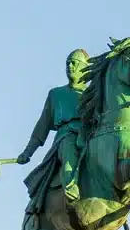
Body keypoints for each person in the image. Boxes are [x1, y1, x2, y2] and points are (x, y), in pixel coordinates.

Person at [18, 49, 90, 203]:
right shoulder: (56, 94)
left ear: (85, 67)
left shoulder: (94, 92)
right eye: (68, 63)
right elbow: (42, 127)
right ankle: (71, 186)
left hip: (91, 135)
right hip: (67, 135)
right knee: (68, 148)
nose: (70, 66)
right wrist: (28, 152)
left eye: (74, 63)